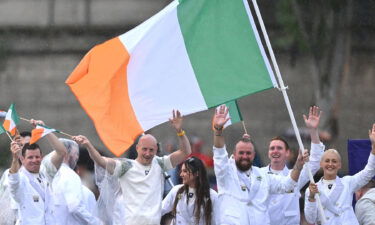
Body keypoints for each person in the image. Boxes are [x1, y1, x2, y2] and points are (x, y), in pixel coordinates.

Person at [73, 110, 192, 225]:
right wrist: (88, 145)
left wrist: (179, 131)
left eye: (151, 150)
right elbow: (100, 160)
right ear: (137, 149)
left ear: (156, 150)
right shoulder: (126, 166)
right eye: (144, 149)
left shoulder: (160, 163)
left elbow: (185, 151)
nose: (147, 153)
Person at [212, 105, 307, 225]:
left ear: (253, 155)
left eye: (248, 153)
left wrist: (298, 165)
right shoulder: (225, 173)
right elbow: (219, 153)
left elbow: (287, 185)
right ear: (234, 154)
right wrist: (218, 131)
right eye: (241, 153)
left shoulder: (263, 175)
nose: (245, 156)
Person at [261, 106, 325, 225]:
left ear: (287, 153)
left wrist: (313, 131)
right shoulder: (259, 174)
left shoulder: (296, 175)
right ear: (268, 153)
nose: (275, 151)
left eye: (279, 148)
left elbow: (315, 161)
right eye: (272, 148)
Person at [305, 124, 375, 225]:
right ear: (321, 164)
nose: (330, 164)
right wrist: (311, 197)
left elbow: (369, 172)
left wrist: (374, 148)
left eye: (334, 161)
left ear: (339, 165)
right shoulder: (312, 188)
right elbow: (310, 219)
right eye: (327, 161)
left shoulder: (348, 182)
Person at [8, 119, 67, 225]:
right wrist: (14, 158)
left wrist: (45, 129)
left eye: (37, 157)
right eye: (30, 157)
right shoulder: (19, 177)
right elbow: (13, 181)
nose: (34, 160)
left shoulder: (45, 172)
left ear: (42, 157)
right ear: (22, 159)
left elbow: (61, 152)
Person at [52, 138, 102, 225]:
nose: (76, 158)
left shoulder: (49, 173)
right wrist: (96, 222)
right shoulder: (70, 175)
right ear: (67, 155)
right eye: (75, 154)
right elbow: (75, 207)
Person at [162, 156, 219, 225]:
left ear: (197, 173)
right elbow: (160, 210)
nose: (181, 174)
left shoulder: (212, 195)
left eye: (185, 171)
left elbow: (218, 221)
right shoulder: (176, 190)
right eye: (181, 171)